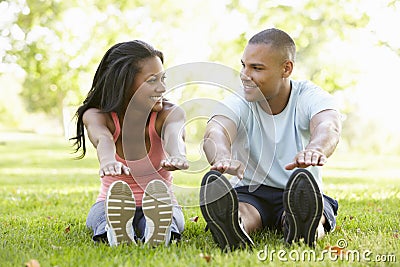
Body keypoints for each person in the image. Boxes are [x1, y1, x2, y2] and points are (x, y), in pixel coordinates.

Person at [200, 28, 342, 251]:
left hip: (300, 191)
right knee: (243, 210)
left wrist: (316, 148)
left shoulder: (308, 96)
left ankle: (302, 228)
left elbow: (329, 126)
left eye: (256, 68)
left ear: (286, 68)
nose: (245, 75)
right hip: (251, 190)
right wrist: (222, 156)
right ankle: (234, 226)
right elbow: (215, 131)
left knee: (310, 212)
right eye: (243, 65)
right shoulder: (241, 99)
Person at [71, 40, 189, 247]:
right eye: (152, 80)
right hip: (110, 203)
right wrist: (107, 160)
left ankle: (157, 231)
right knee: (103, 217)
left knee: (169, 217)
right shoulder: (99, 116)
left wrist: (177, 154)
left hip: (160, 203)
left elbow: (173, 135)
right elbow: (103, 138)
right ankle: (115, 231)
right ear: (124, 84)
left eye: (163, 79)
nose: (162, 88)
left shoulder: (169, 113)